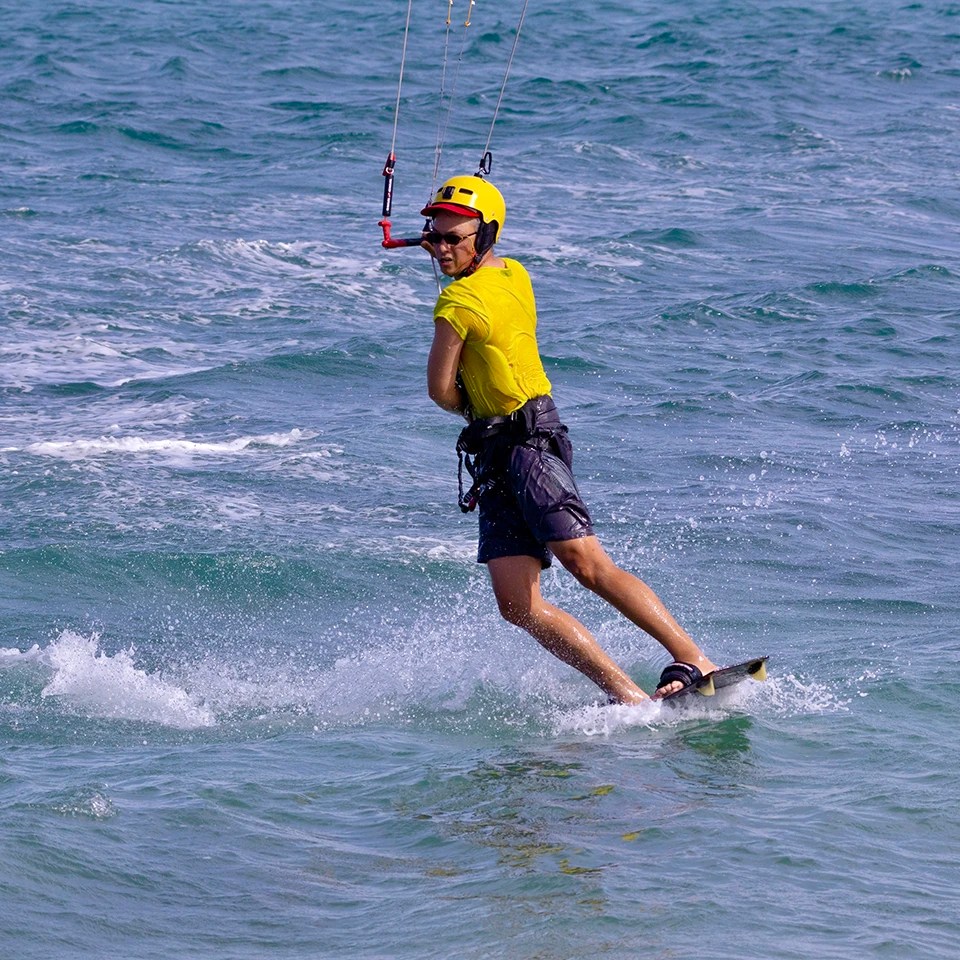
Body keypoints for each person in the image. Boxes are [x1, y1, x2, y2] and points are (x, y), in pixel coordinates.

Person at [419, 174, 718, 702]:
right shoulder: (514, 272)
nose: (441, 248)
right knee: (517, 604)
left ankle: (693, 658)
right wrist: (455, 242)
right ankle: (627, 696)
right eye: (433, 236)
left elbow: (441, 391)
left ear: (484, 236)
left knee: (588, 565)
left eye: (452, 239)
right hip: (503, 449)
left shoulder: (458, 303)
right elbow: (485, 292)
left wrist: (471, 398)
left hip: (527, 446)